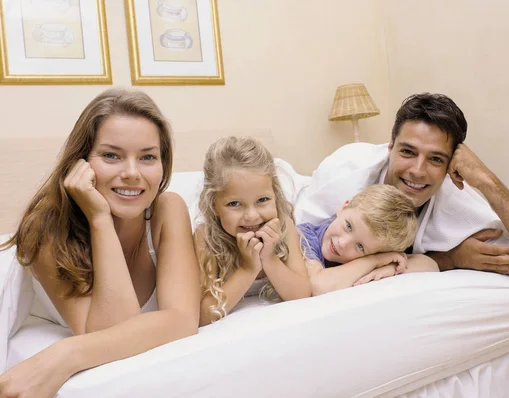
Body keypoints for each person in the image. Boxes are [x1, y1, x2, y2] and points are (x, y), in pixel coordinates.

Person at [0, 88, 200, 397]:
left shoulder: (167, 209)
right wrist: (99, 218)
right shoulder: (45, 227)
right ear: (80, 162)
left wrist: (65, 355)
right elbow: (112, 331)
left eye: (148, 157)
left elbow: (183, 319)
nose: (132, 173)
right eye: (111, 155)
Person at [295, 93, 509, 294]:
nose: (418, 171)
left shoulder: (456, 198)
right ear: (390, 146)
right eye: (407, 152)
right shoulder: (346, 173)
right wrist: (450, 259)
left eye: (436, 159)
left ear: (452, 164)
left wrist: (487, 181)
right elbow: (297, 247)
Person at [194, 136, 311, 326]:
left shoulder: (284, 226)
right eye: (234, 204)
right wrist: (248, 268)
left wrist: (269, 258)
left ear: (275, 195)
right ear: (213, 205)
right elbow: (204, 315)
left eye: (262, 200)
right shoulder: (206, 237)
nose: (251, 215)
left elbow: (302, 294)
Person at [299, 184, 439, 295]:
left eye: (360, 247)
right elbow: (317, 286)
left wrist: (391, 266)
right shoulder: (304, 236)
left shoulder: (374, 251)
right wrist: (375, 262)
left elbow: (431, 265)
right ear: (344, 207)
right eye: (348, 226)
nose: (342, 243)